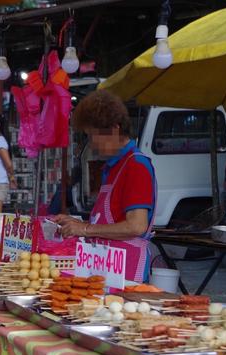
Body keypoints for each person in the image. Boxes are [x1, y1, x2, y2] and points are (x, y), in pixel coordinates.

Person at [53, 91, 157, 283]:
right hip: (104, 268)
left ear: (114, 129)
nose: (91, 145)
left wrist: (84, 229)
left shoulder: (136, 166)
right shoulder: (113, 166)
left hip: (126, 274)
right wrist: (76, 223)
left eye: (93, 136)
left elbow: (136, 225)